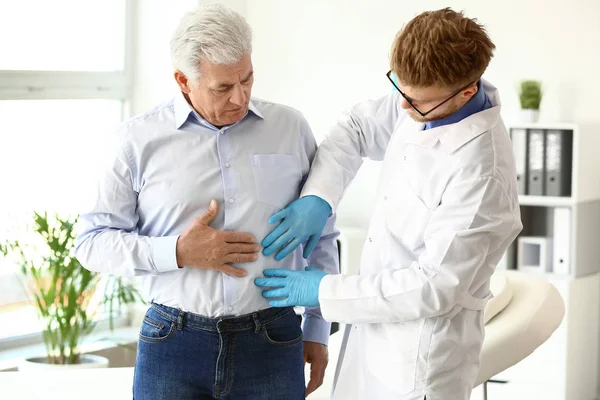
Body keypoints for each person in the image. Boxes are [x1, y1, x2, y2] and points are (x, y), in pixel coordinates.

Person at [255, 8, 523, 400]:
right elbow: (355, 127)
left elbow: (434, 286)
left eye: (418, 102)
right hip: (368, 340)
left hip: (419, 363)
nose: (403, 109)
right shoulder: (422, 100)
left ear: (467, 91)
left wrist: (325, 291)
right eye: (399, 88)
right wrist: (319, 196)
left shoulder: (482, 174)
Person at [75, 4, 339, 400]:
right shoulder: (135, 142)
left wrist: (317, 329)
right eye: (222, 87)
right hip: (173, 342)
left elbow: (322, 235)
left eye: (247, 79)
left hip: (273, 340)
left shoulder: (291, 128)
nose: (240, 96)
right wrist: (178, 251)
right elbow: (90, 243)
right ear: (184, 80)